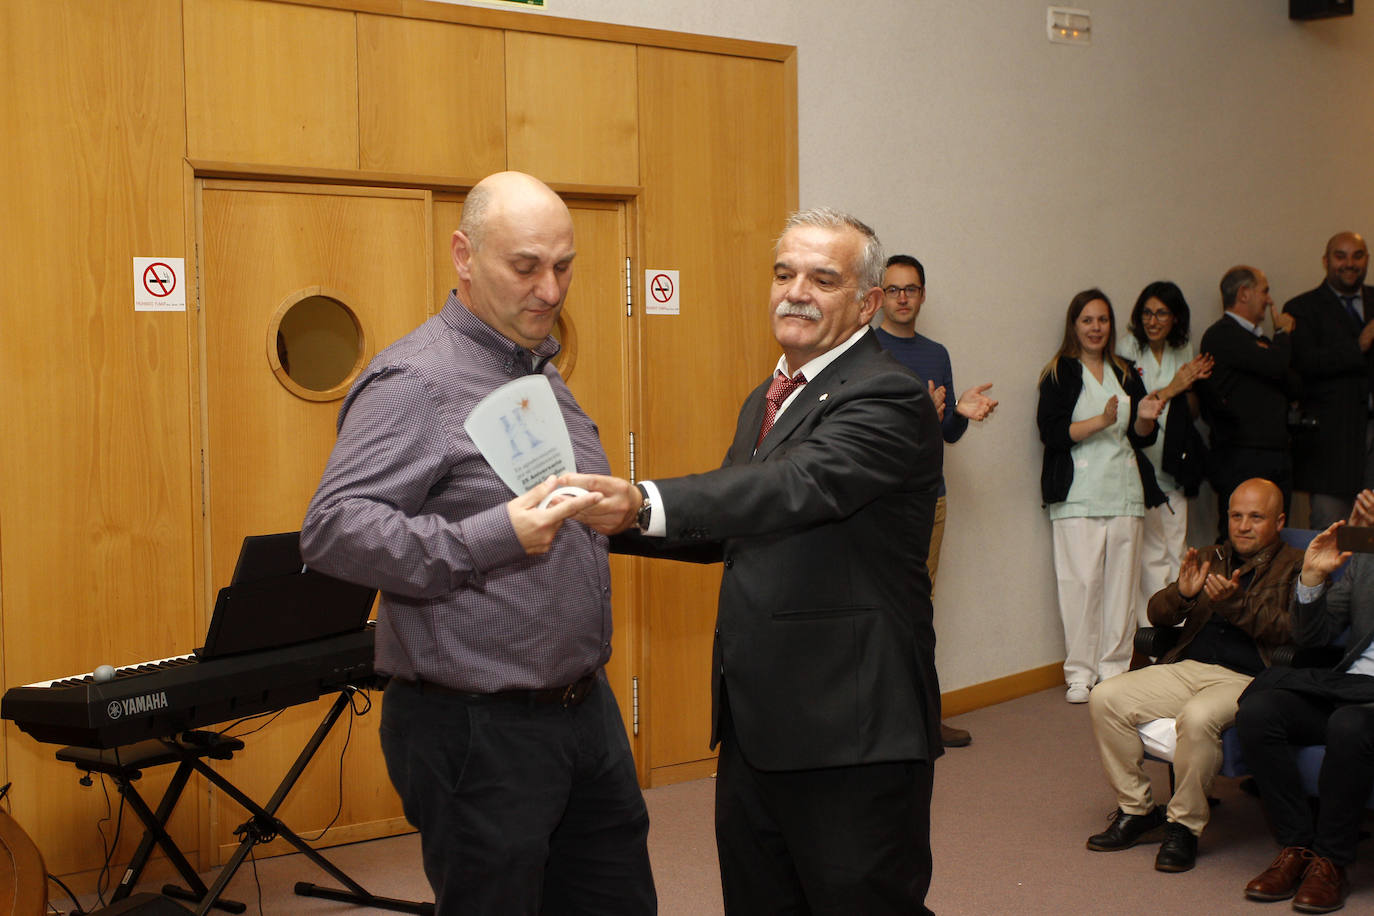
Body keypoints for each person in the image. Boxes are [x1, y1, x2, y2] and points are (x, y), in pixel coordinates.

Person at [563, 208, 943, 915]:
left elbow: (796, 487)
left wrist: (641, 500)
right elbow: (737, 523)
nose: (795, 291)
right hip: (758, 724)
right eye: (784, 272)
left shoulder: (888, 395)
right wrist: (603, 521)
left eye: (822, 278)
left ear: (865, 304)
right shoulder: (767, 398)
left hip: (851, 728)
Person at [298, 171, 656, 916]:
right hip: (477, 729)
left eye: (564, 267)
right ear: (464, 255)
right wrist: (492, 536)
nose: (550, 290)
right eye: (525, 266)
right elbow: (334, 530)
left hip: (580, 712)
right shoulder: (415, 381)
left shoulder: (534, 367)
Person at [1084, 478, 1301, 874]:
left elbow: (1292, 631)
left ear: (1279, 521)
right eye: (1236, 515)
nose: (1243, 525)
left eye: (1256, 517)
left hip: (1249, 677)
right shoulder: (1210, 555)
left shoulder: (1295, 565)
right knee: (1105, 697)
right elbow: (1157, 615)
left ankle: (1184, 827)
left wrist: (1235, 606)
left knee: (1198, 719)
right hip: (1188, 667)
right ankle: (1138, 811)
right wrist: (1181, 595)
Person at [875, 253, 996, 747]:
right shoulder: (863, 348)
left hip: (930, 500)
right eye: (893, 289)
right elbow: (862, 433)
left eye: (911, 289)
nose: (903, 298)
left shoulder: (936, 353)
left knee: (918, 609)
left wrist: (960, 414)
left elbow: (944, 432)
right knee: (878, 607)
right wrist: (918, 415)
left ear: (923, 295)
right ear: (878, 295)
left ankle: (924, 715)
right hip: (879, 500)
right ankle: (883, 723)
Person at [1236, 489, 1374, 913]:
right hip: (1352, 686)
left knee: (1348, 725)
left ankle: (1333, 861)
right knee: (1259, 711)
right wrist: (1312, 579)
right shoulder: (1365, 554)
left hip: (1361, 710)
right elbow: (1313, 636)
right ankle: (1297, 846)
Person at [1038, 289, 1165, 703]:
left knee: (1121, 588)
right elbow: (1052, 434)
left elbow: (1141, 438)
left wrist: (1144, 420)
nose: (1096, 328)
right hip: (1077, 496)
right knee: (1080, 585)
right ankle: (1079, 673)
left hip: (1124, 492)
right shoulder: (1058, 373)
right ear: (1074, 325)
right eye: (1087, 320)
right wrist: (1100, 421)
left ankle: (1114, 669)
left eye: (1103, 320)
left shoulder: (1126, 371)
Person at [1117, 281, 1214, 626]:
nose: (1152, 321)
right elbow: (1136, 404)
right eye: (1146, 312)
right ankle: (1154, 634)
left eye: (1161, 313)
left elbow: (1191, 408)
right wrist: (1175, 386)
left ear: (1175, 318)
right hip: (1141, 461)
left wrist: (1188, 388)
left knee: (1177, 548)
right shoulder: (1127, 348)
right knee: (1149, 555)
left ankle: (1182, 632)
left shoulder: (1183, 348)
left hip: (1175, 461)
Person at [1196, 265, 1298, 539]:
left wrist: (1273, 349)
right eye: (1264, 291)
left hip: (1275, 452)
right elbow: (1276, 365)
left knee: (1276, 539)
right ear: (1244, 293)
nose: (1270, 300)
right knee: (1239, 539)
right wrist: (1283, 334)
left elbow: (1292, 382)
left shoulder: (1260, 340)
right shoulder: (1222, 335)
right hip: (1241, 457)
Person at [1283, 232, 1374, 530]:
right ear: (1325, 261)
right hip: (1330, 449)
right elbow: (1304, 364)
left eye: (1357, 255)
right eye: (1340, 255)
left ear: (1367, 260)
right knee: (1331, 538)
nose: (1350, 263)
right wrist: (1357, 346)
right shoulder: (1302, 308)